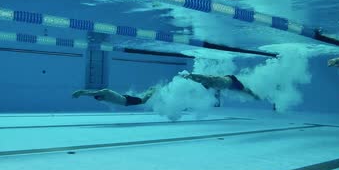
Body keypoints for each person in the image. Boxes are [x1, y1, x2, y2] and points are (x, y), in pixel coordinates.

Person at [72, 73, 260, 106]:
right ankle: (154, 90)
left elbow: (205, 79)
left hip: (128, 101)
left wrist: (82, 92)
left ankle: (154, 90)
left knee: (144, 99)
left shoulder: (103, 92)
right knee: (242, 90)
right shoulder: (105, 94)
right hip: (127, 100)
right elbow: (206, 82)